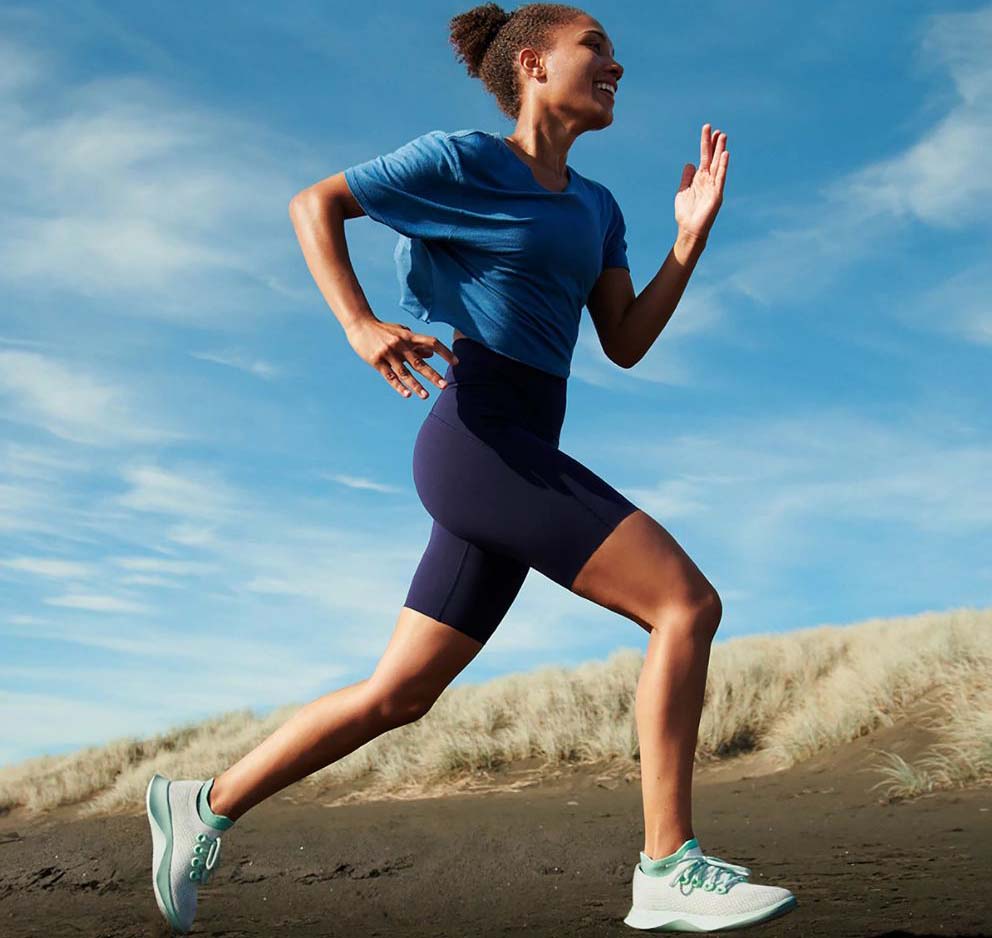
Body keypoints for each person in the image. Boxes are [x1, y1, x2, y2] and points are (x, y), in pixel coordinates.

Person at [146, 3, 796, 933]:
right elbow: (314, 203)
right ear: (533, 64)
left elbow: (624, 342)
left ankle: (202, 804)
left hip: (524, 444)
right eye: (596, 48)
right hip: (478, 438)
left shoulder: (597, 206)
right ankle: (667, 865)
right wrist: (361, 324)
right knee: (684, 604)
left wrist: (687, 241)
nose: (617, 64)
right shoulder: (463, 160)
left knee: (400, 695)